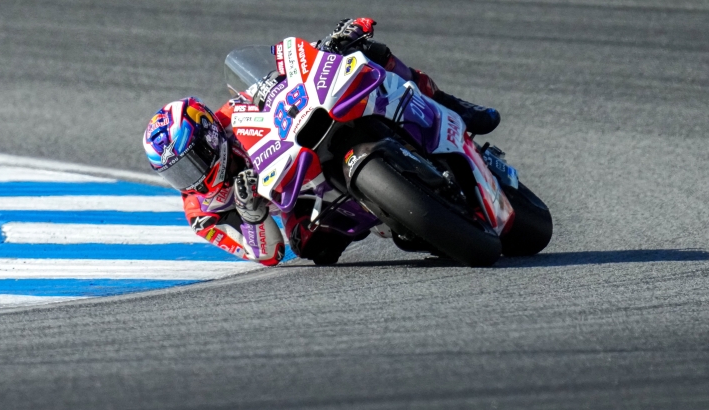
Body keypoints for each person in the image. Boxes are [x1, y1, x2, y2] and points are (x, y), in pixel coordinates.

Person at [142, 18, 501, 265]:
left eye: (191, 161)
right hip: (301, 196)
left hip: (311, 146)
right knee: (311, 247)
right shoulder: (200, 210)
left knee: (369, 55)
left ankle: (454, 108)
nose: (192, 178)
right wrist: (252, 214)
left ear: (207, 134)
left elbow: (281, 80)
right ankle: (394, 213)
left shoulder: (234, 112)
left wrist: (329, 47)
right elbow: (267, 253)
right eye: (177, 173)